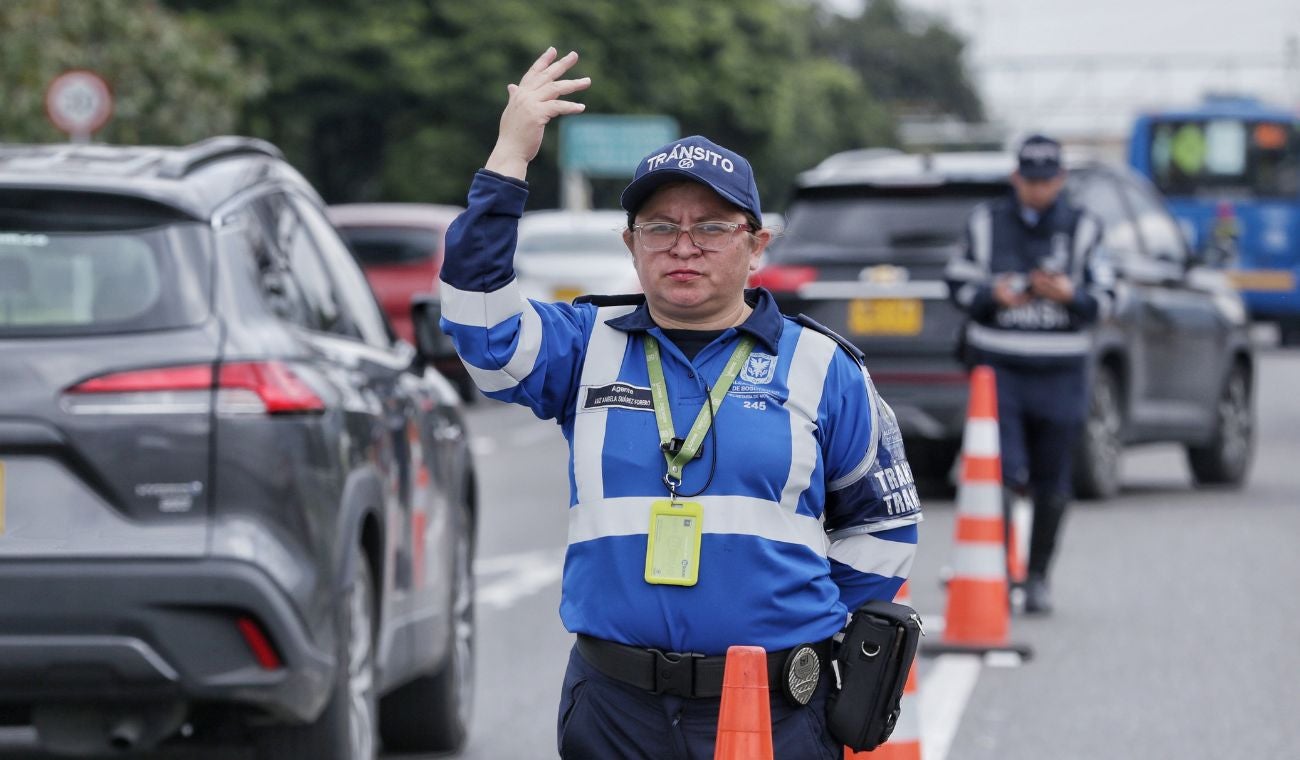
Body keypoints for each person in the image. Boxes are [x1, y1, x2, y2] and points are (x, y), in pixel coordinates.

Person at [438, 48, 922, 758]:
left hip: (774, 707)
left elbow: (885, 523)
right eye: (661, 228)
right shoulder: (583, 345)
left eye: (713, 227)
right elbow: (480, 328)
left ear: (756, 245)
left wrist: (796, 628)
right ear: (631, 245)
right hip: (615, 707)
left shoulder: (824, 367)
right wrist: (509, 157)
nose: (683, 247)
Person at [945, 134, 1116, 614]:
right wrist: (995, 294)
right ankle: (996, 569)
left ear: (1059, 180)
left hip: (1061, 372)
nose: (1037, 189)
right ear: (1016, 177)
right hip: (998, 371)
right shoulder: (986, 223)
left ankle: (1038, 575)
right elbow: (956, 284)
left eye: (1047, 180)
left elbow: (1107, 299)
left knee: (1053, 480)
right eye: (1030, 179)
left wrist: (1067, 294)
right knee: (1000, 473)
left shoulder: (1084, 227)